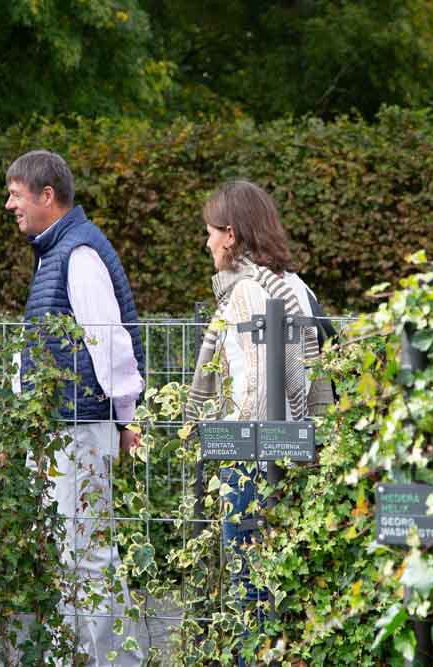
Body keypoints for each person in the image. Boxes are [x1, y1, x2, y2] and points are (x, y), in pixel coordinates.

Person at [184, 180, 332, 665]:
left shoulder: (249, 292)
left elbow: (256, 391)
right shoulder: (293, 285)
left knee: (251, 598)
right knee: (283, 594)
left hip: (254, 458)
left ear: (230, 234)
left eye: (210, 231)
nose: (207, 242)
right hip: (295, 451)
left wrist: (232, 446)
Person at [6, 149, 144, 666]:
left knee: (88, 556)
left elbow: (110, 344)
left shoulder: (79, 253)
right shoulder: (56, 251)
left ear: (47, 196)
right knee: (69, 554)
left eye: (16, 195)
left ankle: (116, 662)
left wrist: (127, 418)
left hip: (80, 428)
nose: (9, 205)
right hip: (64, 428)